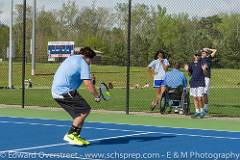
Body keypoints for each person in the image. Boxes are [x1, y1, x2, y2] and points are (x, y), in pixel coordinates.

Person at [51, 47, 101, 146]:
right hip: (64, 91)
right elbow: (88, 84)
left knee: (79, 115)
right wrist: (96, 96)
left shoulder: (72, 58)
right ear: (88, 58)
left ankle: (75, 135)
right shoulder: (83, 64)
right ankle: (70, 135)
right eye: (91, 60)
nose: (91, 62)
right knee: (85, 110)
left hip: (56, 90)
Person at [184, 52, 208, 118]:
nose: (198, 56)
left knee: (199, 98)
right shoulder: (191, 64)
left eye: (199, 55)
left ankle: (202, 111)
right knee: (195, 97)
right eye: (196, 55)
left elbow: (205, 73)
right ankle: (197, 111)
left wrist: (204, 69)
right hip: (193, 82)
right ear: (194, 56)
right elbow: (190, 74)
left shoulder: (202, 62)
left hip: (200, 82)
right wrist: (187, 70)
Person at [200, 48, 217, 113]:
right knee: (200, 93)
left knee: (205, 93)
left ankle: (206, 108)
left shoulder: (208, 58)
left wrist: (208, 49)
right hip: (200, 77)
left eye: (204, 53)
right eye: (202, 53)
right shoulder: (200, 59)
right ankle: (201, 108)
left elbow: (215, 50)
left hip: (206, 77)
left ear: (207, 53)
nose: (202, 54)